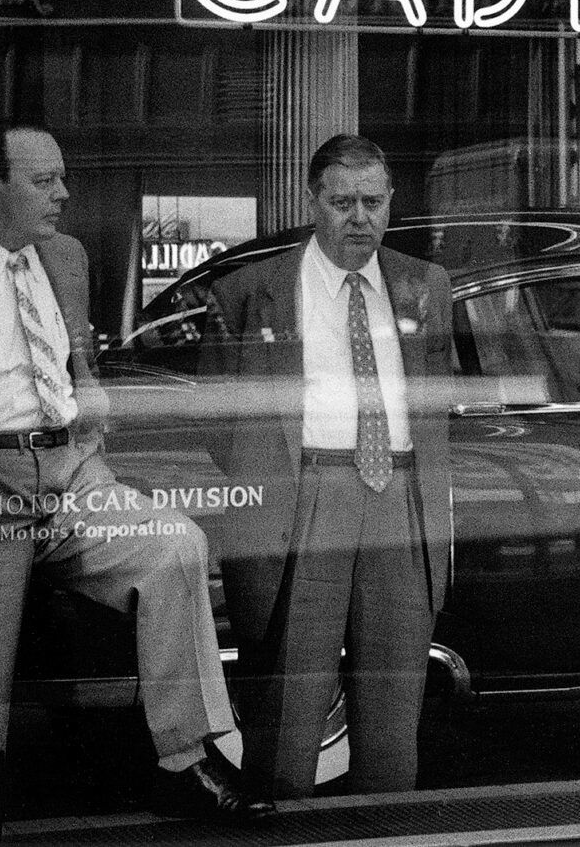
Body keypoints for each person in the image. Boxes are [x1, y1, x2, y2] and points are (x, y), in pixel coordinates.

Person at [0, 118, 268, 822]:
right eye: (44, 181)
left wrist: (87, 420)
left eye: (62, 177)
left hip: (71, 474)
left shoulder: (65, 256)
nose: (64, 193)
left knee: (174, 547)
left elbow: (75, 360)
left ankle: (185, 758)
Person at [199, 134, 453, 798]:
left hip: (400, 501)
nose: (359, 217)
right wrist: (286, 480)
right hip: (302, 501)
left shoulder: (426, 286)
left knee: (393, 728)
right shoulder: (249, 291)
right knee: (286, 718)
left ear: (390, 201)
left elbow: (437, 405)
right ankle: (282, 833)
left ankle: (383, 835)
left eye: (373, 201)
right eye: (342, 203)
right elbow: (219, 423)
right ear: (312, 201)